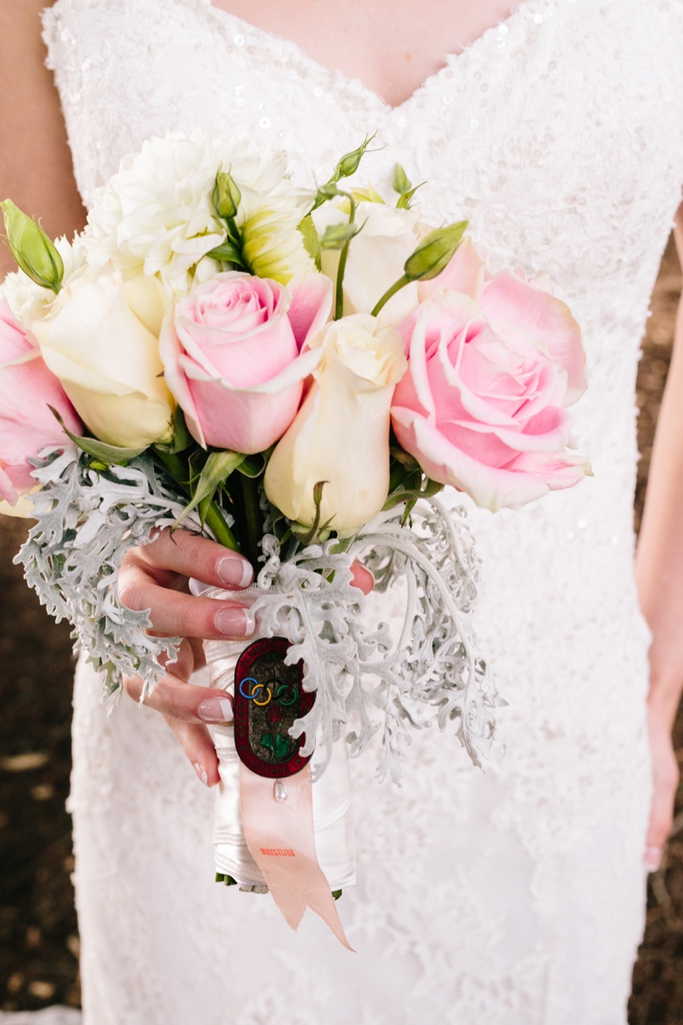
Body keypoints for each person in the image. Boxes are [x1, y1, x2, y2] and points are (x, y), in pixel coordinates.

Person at [2, 0, 683, 1021]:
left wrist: (656, 665)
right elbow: (37, 340)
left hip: (547, 733)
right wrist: (110, 566)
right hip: (211, 732)